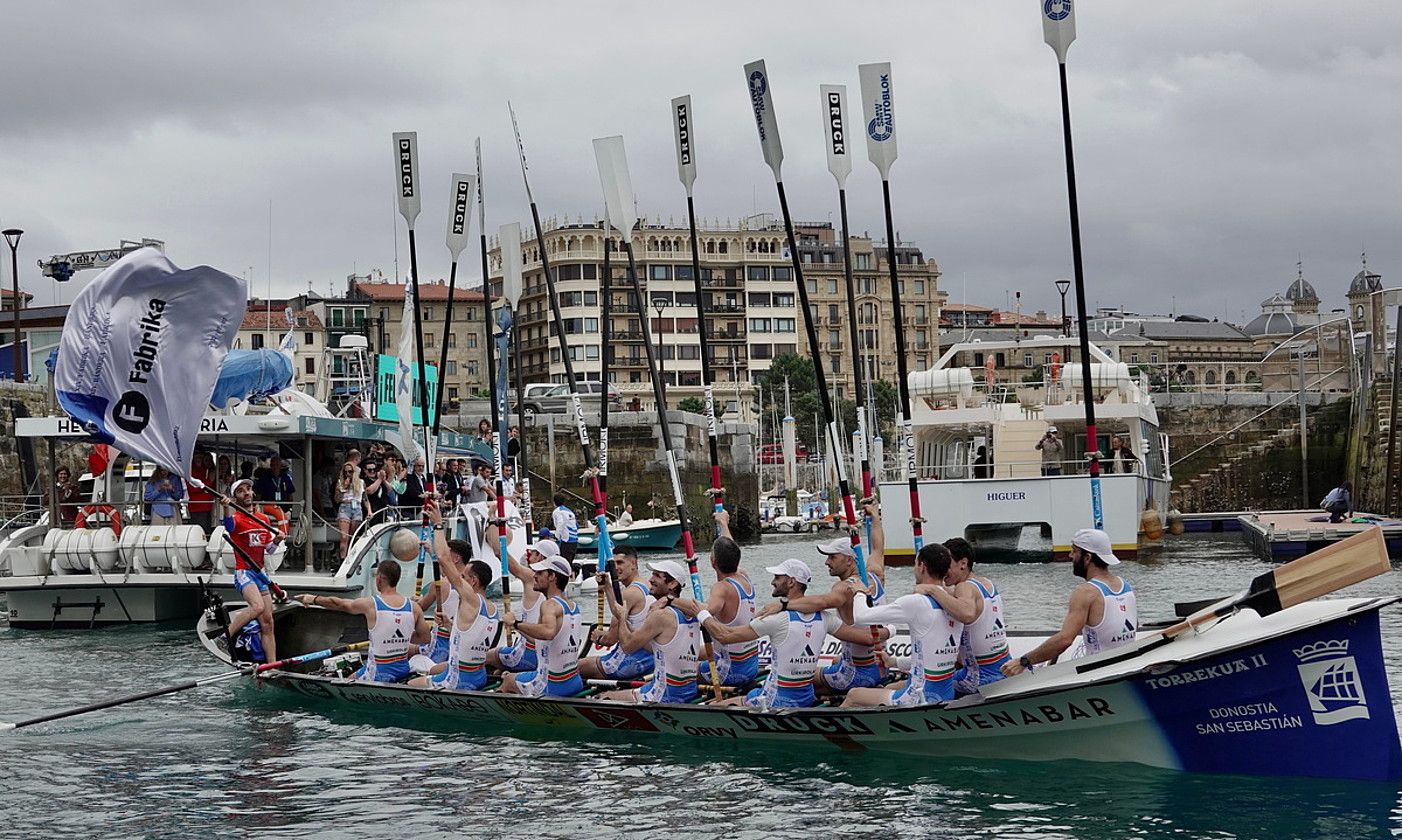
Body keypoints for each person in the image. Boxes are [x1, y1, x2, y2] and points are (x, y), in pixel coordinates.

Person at [676, 559, 885, 708]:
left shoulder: (775, 619)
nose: (772, 582)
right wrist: (891, 628)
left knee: (715, 707)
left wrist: (702, 614)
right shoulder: (826, 618)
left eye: (777, 577)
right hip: (805, 698)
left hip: (773, 700)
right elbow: (868, 638)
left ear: (791, 582)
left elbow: (725, 636)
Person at [762, 503, 888, 694]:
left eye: (832, 557)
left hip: (855, 674)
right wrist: (876, 519)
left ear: (849, 560)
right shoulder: (875, 573)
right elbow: (878, 547)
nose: (826, 562)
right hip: (881, 666)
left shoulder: (845, 586)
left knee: (800, 676)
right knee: (836, 659)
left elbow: (822, 602)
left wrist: (784, 604)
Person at [841, 542, 963, 708]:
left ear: (922, 566)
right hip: (945, 692)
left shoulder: (916, 602)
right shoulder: (955, 604)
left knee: (854, 695)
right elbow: (931, 658)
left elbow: (861, 617)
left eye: (915, 563)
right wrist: (893, 662)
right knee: (889, 687)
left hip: (918, 696)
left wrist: (859, 592)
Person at [1001, 528, 1137, 677]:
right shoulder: (1125, 586)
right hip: (1125, 667)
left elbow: (1065, 639)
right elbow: (1129, 627)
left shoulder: (1085, 592)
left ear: (1087, 557)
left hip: (1099, 674)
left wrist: (1023, 661)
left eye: (1074, 551)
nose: (1070, 555)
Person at [409, 500, 500, 689]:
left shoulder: (470, 598)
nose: (461, 579)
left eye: (465, 576)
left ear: (473, 581)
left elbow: (443, 558)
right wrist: (450, 625)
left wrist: (438, 524)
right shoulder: (492, 609)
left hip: (457, 678)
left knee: (410, 683)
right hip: (478, 675)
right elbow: (469, 636)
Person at [297, 561, 430, 683]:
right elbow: (425, 638)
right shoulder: (414, 607)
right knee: (354, 675)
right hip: (403, 671)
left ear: (378, 579)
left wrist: (313, 598)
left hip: (377, 674)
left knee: (345, 684)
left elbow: (339, 604)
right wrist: (401, 639)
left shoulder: (371, 604)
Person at [913, 537, 1011, 696]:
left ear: (963, 563)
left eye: (948, 565)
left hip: (980, 679)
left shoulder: (964, 587)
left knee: (923, 685)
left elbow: (967, 614)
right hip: (1005, 669)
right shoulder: (986, 583)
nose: (943, 570)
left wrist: (931, 589)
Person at [599, 560, 701, 703]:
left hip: (661, 694)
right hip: (688, 691)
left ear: (672, 584)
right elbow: (651, 647)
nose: (650, 579)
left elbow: (627, 646)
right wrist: (609, 589)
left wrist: (622, 618)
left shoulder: (661, 616)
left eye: (657, 576)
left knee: (604, 696)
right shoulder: (692, 613)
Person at [498, 552, 585, 697]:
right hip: (574, 681)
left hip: (551, 684)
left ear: (552, 577)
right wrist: (515, 627)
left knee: (508, 680)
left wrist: (516, 623)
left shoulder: (549, 605)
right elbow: (540, 640)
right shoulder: (573, 606)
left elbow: (548, 632)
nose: (534, 576)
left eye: (539, 572)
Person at [224, 479, 288, 664]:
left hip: (260, 573)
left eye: (249, 489)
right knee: (258, 607)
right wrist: (226, 508)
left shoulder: (264, 520)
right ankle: (226, 634)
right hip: (244, 572)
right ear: (235, 497)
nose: (247, 493)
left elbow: (268, 549)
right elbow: (228, 526)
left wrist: (277, 540)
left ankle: (271, 665)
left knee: (268, 624)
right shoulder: (236, 519)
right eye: (241, 491)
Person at [697, 510, 760, 686]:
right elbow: (731, 549)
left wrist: (673, 603)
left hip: (729, 671)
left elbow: (704, 614)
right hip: (751, 666)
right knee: (693, 654)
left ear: (713, 563)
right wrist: (723, 523)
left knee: (682, 669)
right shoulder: (743, 577)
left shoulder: (721, 589)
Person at [579, 545, 654, 680]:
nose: (616, 568)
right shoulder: (648, 585)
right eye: (613, 564)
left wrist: (598, 637)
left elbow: (610, 640)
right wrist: (607, 586)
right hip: (650, 660)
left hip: (628, 661)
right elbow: (619, 610)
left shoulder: (629, 593)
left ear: (633, 564)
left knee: (573, 668)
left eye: (620, 563)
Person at [485, 540, 555, 673]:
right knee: (498, 666)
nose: (529, 557)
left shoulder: (531, 576)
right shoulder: (558, 581)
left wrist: (493, 524)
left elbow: (500, 553)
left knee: (480, 658)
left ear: (540, 557)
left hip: (526, 654)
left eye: (532, 554)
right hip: (547, 654)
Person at [335, 462, 366, 560]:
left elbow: (365, 499)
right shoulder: (340, 482)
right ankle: (342, 559)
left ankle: (349, 558)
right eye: (345, 472)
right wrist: (343, 487)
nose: (348, 474)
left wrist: (369, 511)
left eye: (350, 472)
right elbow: (336, 499)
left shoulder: (361, 482)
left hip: (357, 507)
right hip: (345, 507)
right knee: (344, 537)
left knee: (352, 537)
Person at [188, 452, 217, 534]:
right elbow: (193, 488)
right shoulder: (192, 471)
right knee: (200, 532)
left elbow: (214, 489)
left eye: (209, 460)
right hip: (198, 506)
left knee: (208, 532)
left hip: (209, 505)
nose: (199, 460)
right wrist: (209, 481)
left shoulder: (207, 471)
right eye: (197, 457)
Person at [364, 460, 393, 526]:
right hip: (372, 511)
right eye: (369, 470)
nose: (372, 471)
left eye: (374, 469)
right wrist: (379, 479)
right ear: (365, 470)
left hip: (383, 511)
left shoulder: (380, 481)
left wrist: (383, 479)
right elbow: (370, 491)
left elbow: (390, 489)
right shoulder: (364, 481)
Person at [552, 494, 580, 562]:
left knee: (564, 565)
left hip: (566, 541)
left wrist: (556, 536)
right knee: (569, 563)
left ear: (554, 502)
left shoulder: (557, 511)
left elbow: (560, 523)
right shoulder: (570, 511)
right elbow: (576, 525)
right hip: (574, 541)